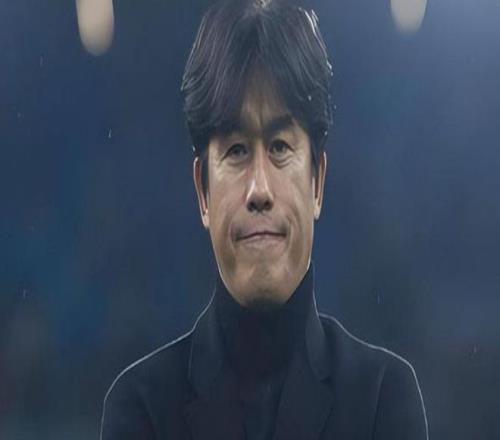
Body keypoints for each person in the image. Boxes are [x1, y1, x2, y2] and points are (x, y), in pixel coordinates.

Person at [100, 0, 429, 439]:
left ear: (317, 181)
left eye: (279, 147)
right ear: (202, 191)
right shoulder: (141, 405)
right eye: (236, 150)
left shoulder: (383, 398)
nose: (259, 189)